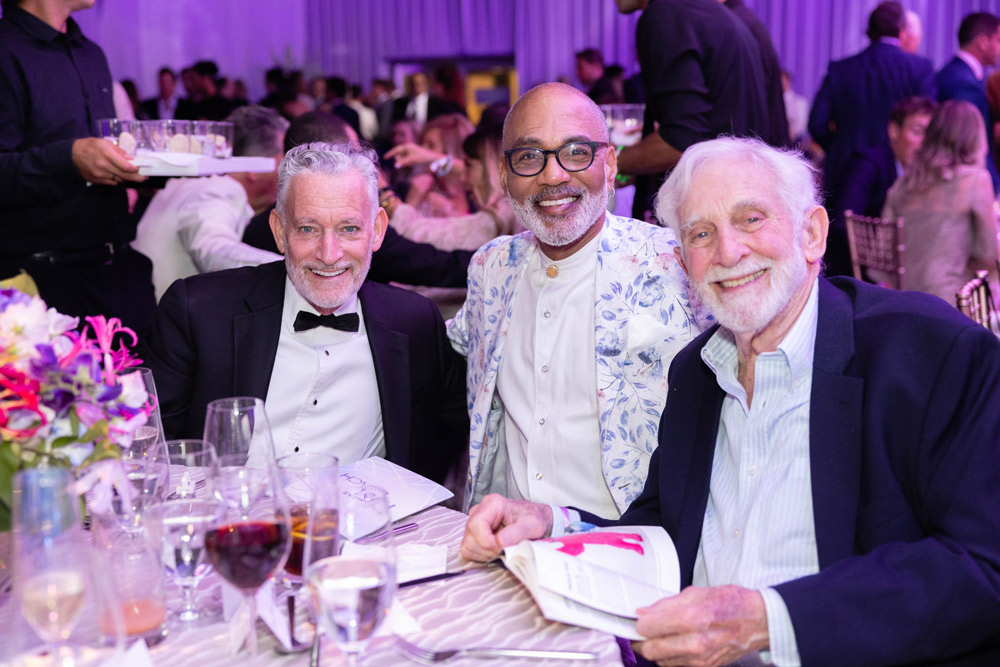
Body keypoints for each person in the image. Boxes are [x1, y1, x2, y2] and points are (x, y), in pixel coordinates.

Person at [461, 135, 1000, 666]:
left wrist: (767, 621)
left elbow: (981, 567)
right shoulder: (697, 373)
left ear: (812, 234)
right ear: (682, 263)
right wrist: (553, 524)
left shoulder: (926, 354)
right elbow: (662, 532)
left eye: (751, 219)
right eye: (700, 233)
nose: (728, 252)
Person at [447, 83, 706, 518]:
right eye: (530, 156)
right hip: (511, 545)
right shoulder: (490, 269)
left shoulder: (677, 264)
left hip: (635, 544)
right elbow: (446, 353)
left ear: (610, 164)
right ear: (505, 175)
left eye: (576, 152)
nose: (553, 176)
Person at [140, 142, 469, 485]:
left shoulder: (414, 324)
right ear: (280, 231)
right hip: (233, 524)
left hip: (359, 529)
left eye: (349, 228)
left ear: (377, 230)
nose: (329, 254)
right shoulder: (199, 313)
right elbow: (156, 451)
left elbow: (469, 422)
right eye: (308, 229)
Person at [0, 0, 156, 331]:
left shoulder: (90, 54)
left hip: (120, 270)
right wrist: (69, 158)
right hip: (42, 285)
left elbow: (101, 156)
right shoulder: (5, 51)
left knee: (145, 381)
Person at [612, 0, 771, 222]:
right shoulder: (718, 14)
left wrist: (609, 162)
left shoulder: (665, 15)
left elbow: (681, 143)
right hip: (742, 203)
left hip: (710, 213)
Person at [808, 0, 936, 276]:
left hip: (844, 179)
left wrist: (842, 147)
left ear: (869, 31)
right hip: (901, 183)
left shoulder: (841, 69)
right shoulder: (918, 68)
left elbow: (816, 123)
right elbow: (930, 125)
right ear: (902, 31)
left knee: (842, 267)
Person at [133, 105, 288, 300]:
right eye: (285, 162)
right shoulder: (218, 191)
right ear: (255, 168)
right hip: (159, 322)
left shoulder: (191, 182)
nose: (291, 173)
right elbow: (214, 250)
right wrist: (293, 270)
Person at [882, 100, 998, 304]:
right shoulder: (975, 180)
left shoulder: (904, 182)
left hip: (901, 303)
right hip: (953, 306)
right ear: (975, 139)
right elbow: (988, 255)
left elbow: (881, 257)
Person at [835, 95, 936, 221]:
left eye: (931, 135)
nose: (924, 142)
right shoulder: (866, 165)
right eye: (917, 132)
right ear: (893, 130)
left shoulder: (928, 173)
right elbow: (844, 223)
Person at [936, 12, 1000, 194]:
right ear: (983, 42)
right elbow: (967, 143)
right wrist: (993, 186)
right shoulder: (963, 83)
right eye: (998, 40)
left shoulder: (953, 73)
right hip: (964, 188)